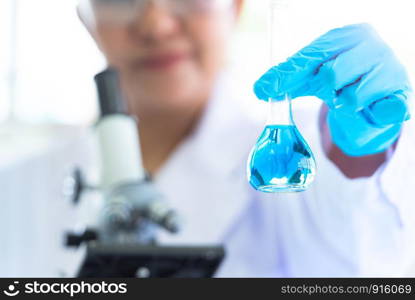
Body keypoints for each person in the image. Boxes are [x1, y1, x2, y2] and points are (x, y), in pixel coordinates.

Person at [77, 0, 415, 277]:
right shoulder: (27, 183)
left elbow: (361, 262)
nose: (156, 24)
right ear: (87, 18)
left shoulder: (303, 158)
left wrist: (358, 155)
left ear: (235, 8)